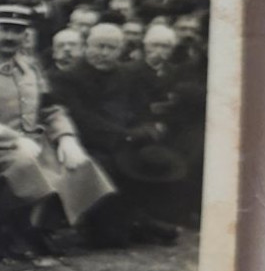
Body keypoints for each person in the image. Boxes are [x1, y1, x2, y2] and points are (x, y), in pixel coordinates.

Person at [0, 5, 115, 255]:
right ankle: (17, 231)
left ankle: (40, 228)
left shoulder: (30, 68)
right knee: (28, 165)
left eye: (16, 31)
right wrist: (13, 139)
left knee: (78, 164)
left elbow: (50, 109)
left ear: (25, 35)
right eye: (4, 29)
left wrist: (66, 138)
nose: (9, 37)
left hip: (33, 143)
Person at [47, 23, 181, 247]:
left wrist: (145, 129)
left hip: (127, 139)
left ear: (120, 50)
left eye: (111, 48)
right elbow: (81, 118)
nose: (104, 53)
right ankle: (115, 226)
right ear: (87, 46)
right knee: (108, 164)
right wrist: (125, 136)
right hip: (89, 142)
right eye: (99, 46)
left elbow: (140, 109)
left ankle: (140, 220)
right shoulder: (68, 77)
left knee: (156, 157)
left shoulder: (127, 74)